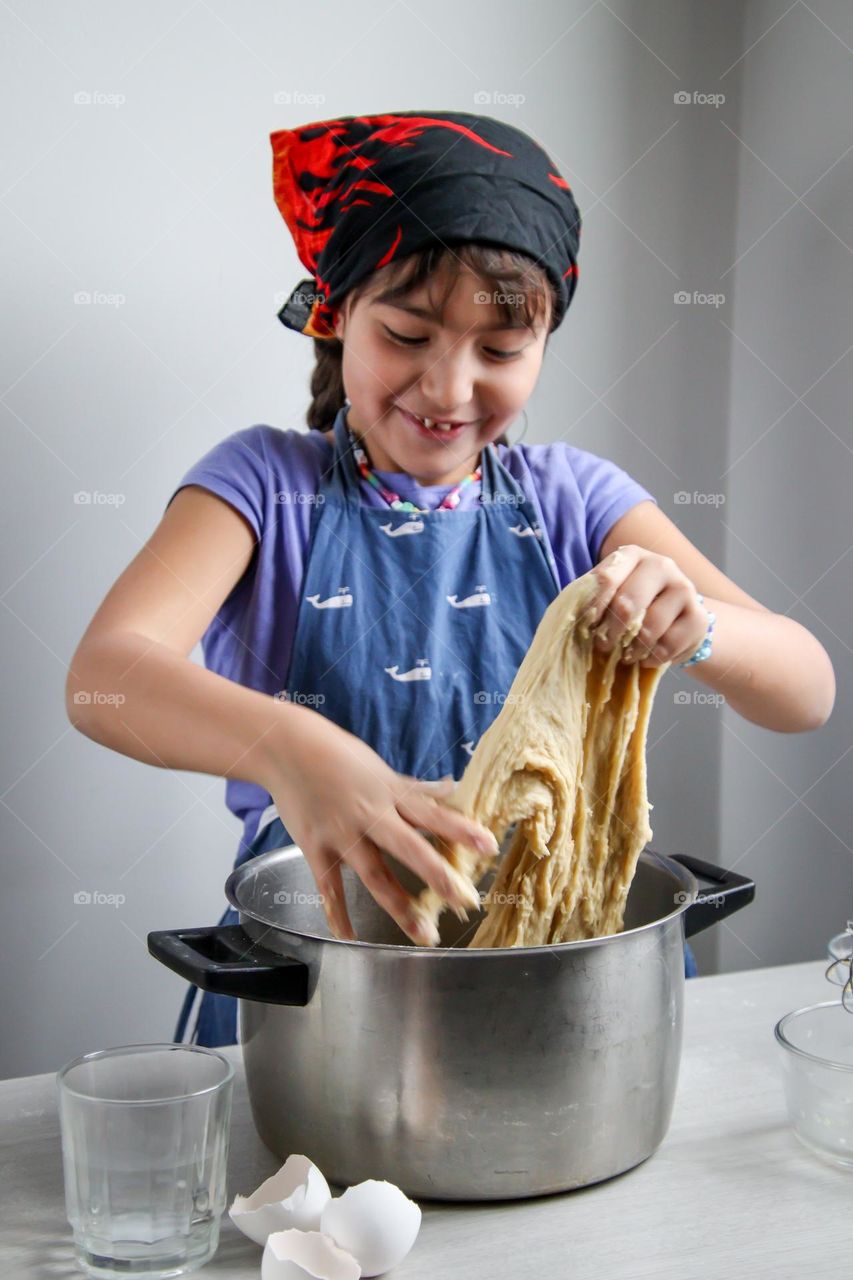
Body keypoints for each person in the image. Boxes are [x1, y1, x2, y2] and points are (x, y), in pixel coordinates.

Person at [66, 110, 836, 1047]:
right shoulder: (263, 486)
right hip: (326, 976)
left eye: (500, 352)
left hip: (562, 988)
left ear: (543, 343)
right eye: (407, 335)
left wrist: (697, 626)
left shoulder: (572, 501)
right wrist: (294, 749)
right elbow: (104, 675)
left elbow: (806, 690)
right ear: (337, 314)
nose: (448, 387)